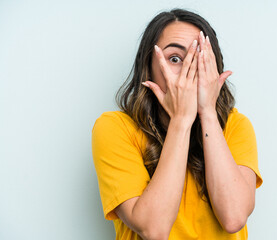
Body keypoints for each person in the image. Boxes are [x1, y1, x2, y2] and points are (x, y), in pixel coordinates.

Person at [92, 8, 263, 240]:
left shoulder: (236, 126)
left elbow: (233, 217)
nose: (188, 70)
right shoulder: (114, 128)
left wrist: (207, 113)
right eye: (175, 59)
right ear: (149, 67)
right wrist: (181, 119)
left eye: (199, 59)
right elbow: (154, 230)